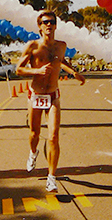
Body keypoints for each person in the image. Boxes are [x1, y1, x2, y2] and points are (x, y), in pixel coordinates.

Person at [16, 10, 85, 192]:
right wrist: (36, 71)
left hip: (53, 96)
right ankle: (33, 152)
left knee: (53, 136)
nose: (49, 25)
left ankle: (51, 177)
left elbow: (60, 61)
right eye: (45, 22)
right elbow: (19, 70)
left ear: (56, 25)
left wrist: (74, 73)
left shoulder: (61, 46)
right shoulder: (33, 46)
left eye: (52, 22)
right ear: (39, 26)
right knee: (34, 134)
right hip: (36, 95)